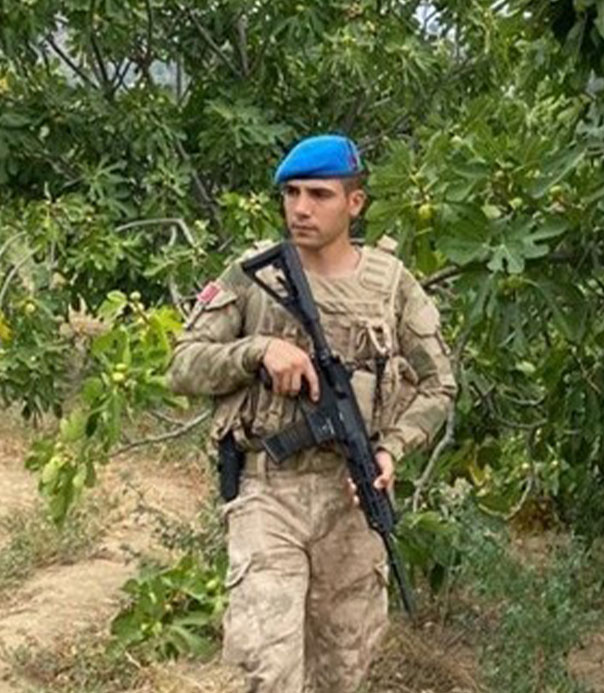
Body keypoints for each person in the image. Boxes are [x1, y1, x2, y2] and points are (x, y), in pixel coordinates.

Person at [166, 133, 458, 692]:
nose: (300, 208)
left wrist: (391, 450)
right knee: (269, 669)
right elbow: (182, 366)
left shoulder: (391, 285)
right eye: (291, 193)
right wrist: (257, 351)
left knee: (342, 672)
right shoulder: (254, 275)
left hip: (351, 501)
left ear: (355, 203)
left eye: (319, 195)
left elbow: (439, 384)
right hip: (268, 490)